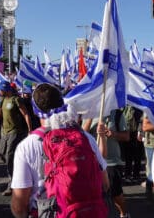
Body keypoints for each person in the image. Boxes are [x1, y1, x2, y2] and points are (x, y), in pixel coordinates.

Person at [10, 83, 109, 218]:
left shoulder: (27, 146)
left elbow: (19, 205)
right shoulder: (85, 138)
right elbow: (105, 184)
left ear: (35, 111)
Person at [0, 80, 32, 196]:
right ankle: (18, 172)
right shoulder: (3, 100)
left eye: (0, 89)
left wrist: (29, 130)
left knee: (9, 157)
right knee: (2, 154)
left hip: (15, 132)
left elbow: (26, 114)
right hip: (4, 132)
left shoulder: (16, 99)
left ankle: (12, 184)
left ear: (5, 89)